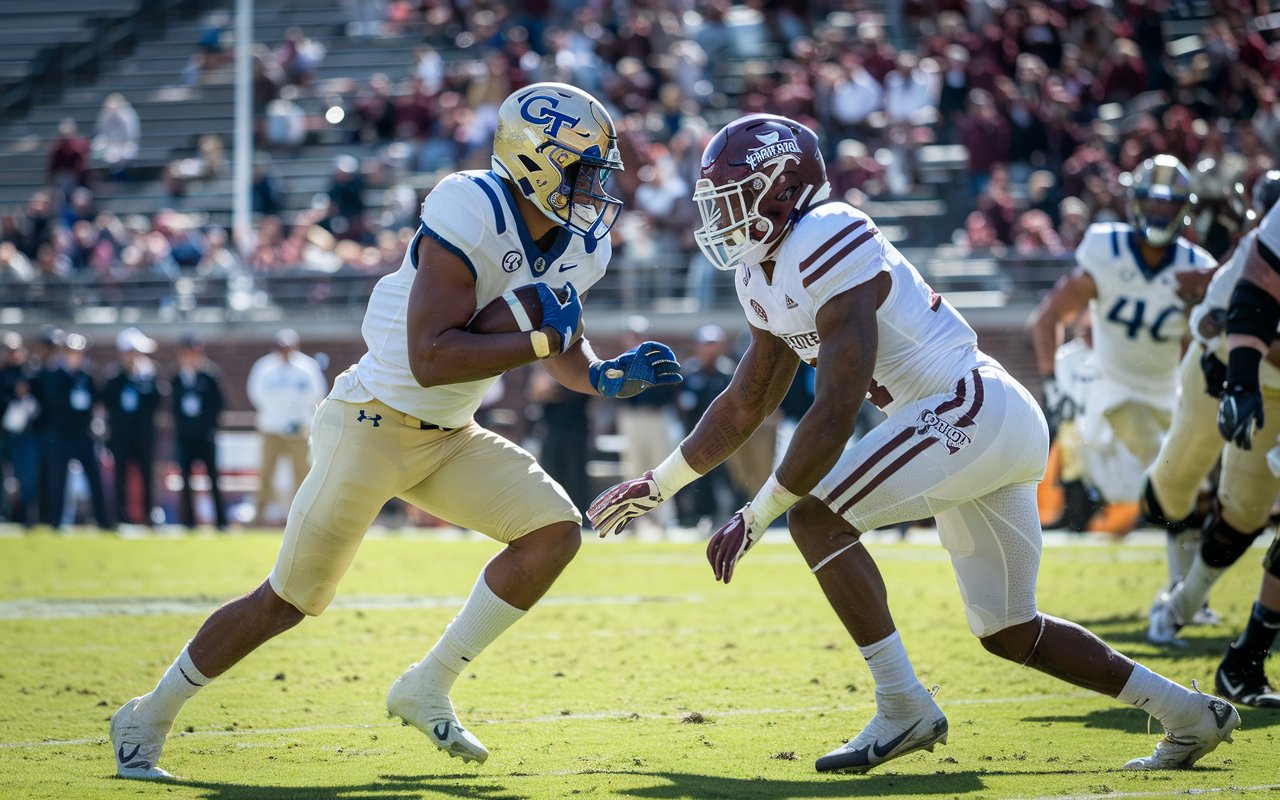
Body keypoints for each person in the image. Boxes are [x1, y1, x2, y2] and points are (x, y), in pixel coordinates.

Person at [589, 114, 1239, 774]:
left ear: (784, 189)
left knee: (816, 518)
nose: (721, 218)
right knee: (1010, 631)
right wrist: (658, 484)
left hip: (965, 406)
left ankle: (903, 705)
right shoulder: (761, 273)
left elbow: (835, 409)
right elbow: (745, 403)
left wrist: (758, 515)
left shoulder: (827, 234)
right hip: (975, 423)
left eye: (734, 197)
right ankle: (1188, 713)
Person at [109, 82, 682, 780]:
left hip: (448, 434)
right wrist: (540, 340)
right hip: (371, 422)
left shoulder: (581, 247)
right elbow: (433, 355)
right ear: (536, 159)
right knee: (288, 601)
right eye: (584, 169)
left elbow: (558, 340)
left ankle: (427, 684)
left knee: (553, 531)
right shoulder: (471, 206)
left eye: (599, 172)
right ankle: (148, 715)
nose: (596, 186)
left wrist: (604, 376)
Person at [1028, 155, 1216, 590]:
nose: (1160, 212)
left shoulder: (1195, 265)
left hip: (1172, 393)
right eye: (1152, 201)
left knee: (1197, 494)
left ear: (1184, 209)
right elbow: (1048, 317)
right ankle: (1182, 596)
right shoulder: (1106, 249)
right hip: (1118, 392)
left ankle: (1187, 597)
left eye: (1170, 204)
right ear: (1135, 203)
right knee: (1169, 475)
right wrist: (1053, 382)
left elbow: (1199, 342)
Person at [1146, 171, 1280, 651]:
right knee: (1174, 481)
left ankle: (1182, 604)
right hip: (1224, 373)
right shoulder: (1255, 254)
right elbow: (1213, 319)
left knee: (1246, 513)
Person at [245, 329, 327, 526]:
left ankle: (301, 517)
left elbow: (318, 394)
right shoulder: (264, 367)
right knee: (266, 473)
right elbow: (256, 394)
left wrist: (301, 418)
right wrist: (277, 415)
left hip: (299, 430)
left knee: (302, 474)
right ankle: (259, 516)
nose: (285, 350)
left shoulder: (307, 367)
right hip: (271, 428)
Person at [38, 332, 112, 532]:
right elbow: (52, 401)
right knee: (58, 480)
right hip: (61, 434)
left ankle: (103, 521)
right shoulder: (55, 374)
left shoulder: (86, 374)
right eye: (71, 352)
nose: (75, 356)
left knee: (94, 479)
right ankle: (56, 522)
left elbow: (96, 402)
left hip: (83, 434)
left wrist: (98, 422)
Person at [102, 328, 163, 527]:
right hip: (121, 435)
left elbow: (156, 402)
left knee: (147, 474)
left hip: (143, 435)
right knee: (120, 475)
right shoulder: (114, 376)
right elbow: (107, 400)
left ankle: (149, 515)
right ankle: (120, 516)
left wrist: (141, 378)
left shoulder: (148, 374)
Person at [171, 334, 227, 531]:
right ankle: (188, 521)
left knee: (213, 478)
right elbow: (173, 408)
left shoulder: (210, 377)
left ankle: (221, 522)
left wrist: (209, 428)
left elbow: (219, 405)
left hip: (205, 436)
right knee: (185, 479)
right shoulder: (177, 378)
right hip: (185, 437)